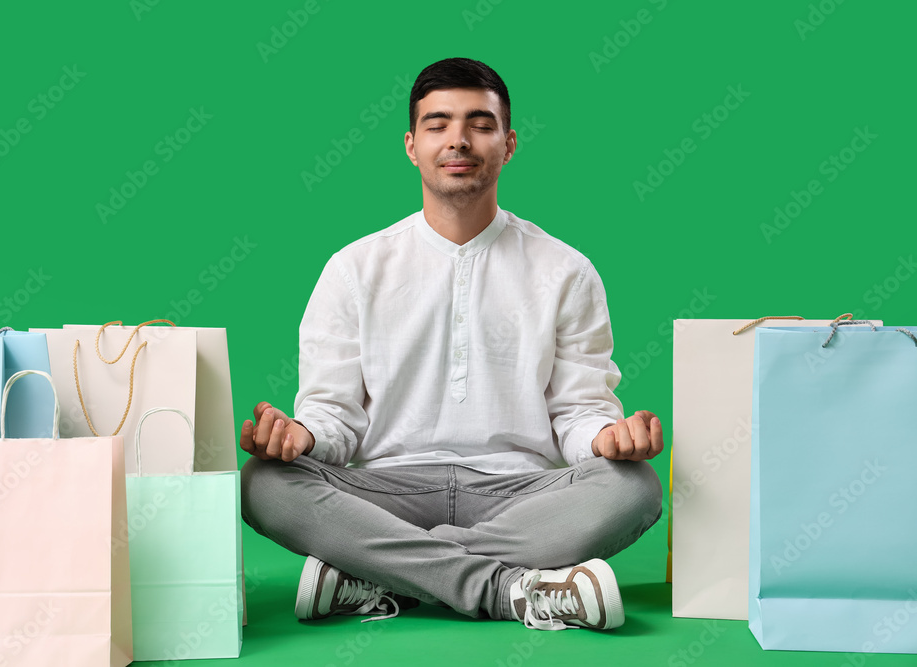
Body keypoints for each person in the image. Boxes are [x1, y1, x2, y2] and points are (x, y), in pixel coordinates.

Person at [241, 57, 663, 631]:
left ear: (508, 145)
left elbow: (579, 411)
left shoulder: (566, 270)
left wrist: (606, 438)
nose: (458, 140)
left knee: (633, 487)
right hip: (385, 492)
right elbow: (333, 417)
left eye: (480, 124)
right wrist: (303, 436)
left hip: (520, 495)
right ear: (412, 146)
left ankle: (379, 573)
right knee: (265, 482)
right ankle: (511, 590)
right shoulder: (353, 269)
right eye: (437, 124)